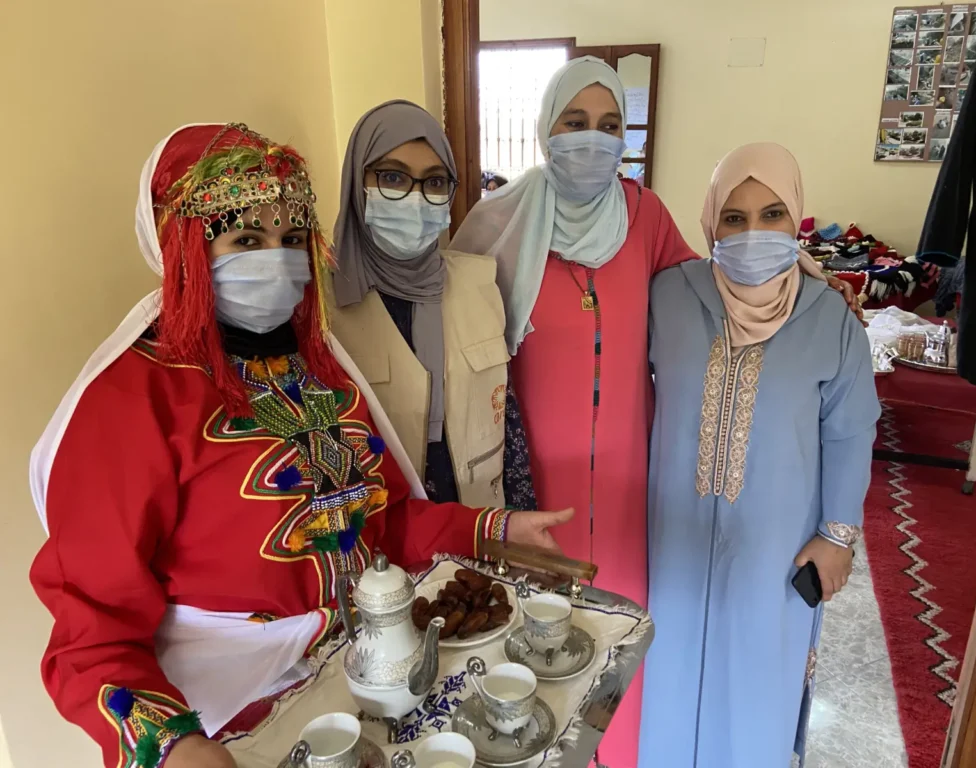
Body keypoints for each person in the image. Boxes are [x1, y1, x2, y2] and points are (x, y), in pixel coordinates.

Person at [28, 123, 570, 768]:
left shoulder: (319, 369)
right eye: (247, 239)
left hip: (363, 672)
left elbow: (378, 520)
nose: (276, 260)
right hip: (219, 715)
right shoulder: (131, 401)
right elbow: (91, 632)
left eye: (290, 240)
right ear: (185, 250)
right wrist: (171, 747)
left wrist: (491, 526)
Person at [450, 57, 860, 767]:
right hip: (534, 472)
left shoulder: (644, 216)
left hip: (635, 479)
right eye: (575, 124)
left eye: (610, 125)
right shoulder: (501, 220)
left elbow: (715, 276)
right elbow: (450, 306)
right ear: (546, 128)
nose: (593, 141)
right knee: (538, 628)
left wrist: (808, 275)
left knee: (633, 632)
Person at [639, 143, 880, 768]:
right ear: (710, 223)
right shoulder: (669, 294)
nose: (752, 233)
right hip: (673, 540)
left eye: (772, 215)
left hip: (776, 547)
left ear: (796, 218)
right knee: (666, 669)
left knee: (755, 684)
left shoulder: (831, 317)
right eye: (733, 218)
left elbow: (852, 430)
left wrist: (837, 535)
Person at [331, 100, 537, 511]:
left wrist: (516, 528)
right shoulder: (317, 304)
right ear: (357, 180)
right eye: (391, 176)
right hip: (377, 533)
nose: (415, 198)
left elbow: (506, 420)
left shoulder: (479, 282)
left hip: (475, 515)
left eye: (436, 182)